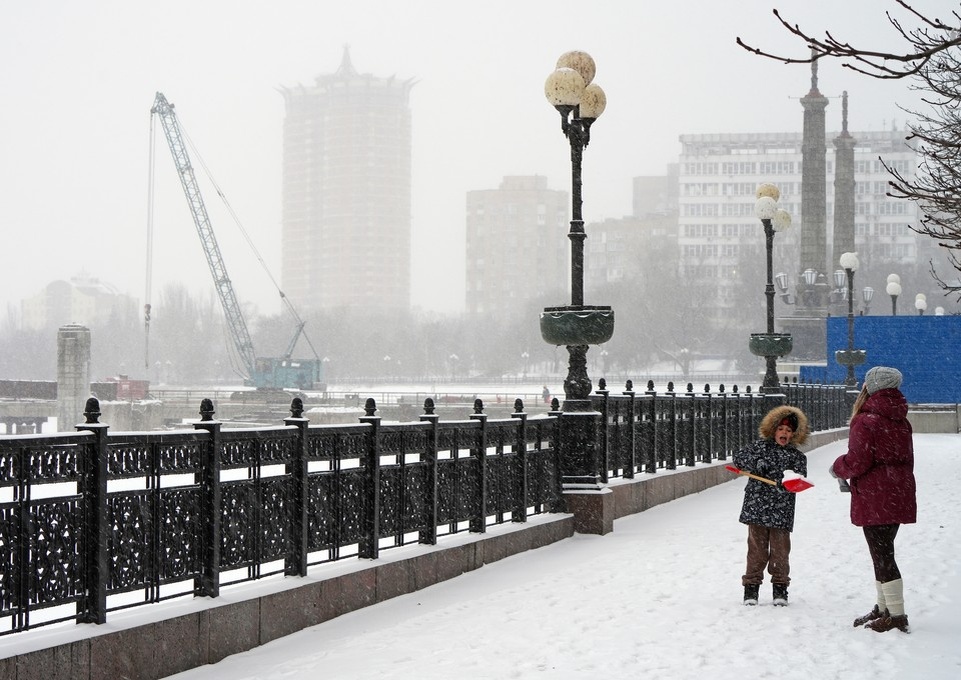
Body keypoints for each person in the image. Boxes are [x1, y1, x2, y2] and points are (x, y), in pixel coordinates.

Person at [830, 366, 916, 633]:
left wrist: (837, 467)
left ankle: (897, 615)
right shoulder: (900, 419)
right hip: (898, 492)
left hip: (875, 496)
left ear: (870, 387)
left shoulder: (867, 420)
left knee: (883, 556)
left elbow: (858, 461)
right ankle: (884, 608)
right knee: (882, 553)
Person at [734, 405, 809, 606]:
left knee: (780, 552)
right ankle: (751, 589)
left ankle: (780, 590)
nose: (784, 433)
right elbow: (739, 459)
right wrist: (756, 462)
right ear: (773, 430)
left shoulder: (796, 457)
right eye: (781, 429)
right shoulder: (759, 448)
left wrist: (789, 484)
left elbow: (800, 478)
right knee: (756, 550)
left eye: (788, 431)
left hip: (781, 510)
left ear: (794, 435)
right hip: (757, 506)